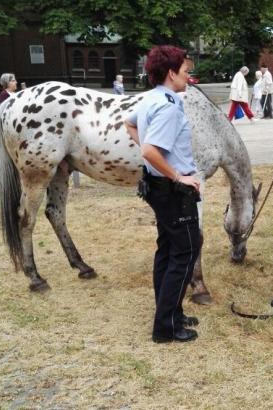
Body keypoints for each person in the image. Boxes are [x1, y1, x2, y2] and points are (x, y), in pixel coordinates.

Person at [125, 45, 201, 343]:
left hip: (159, 188)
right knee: (185, 251)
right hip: (172, 191)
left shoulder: (152, 97)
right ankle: (166, 328)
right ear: (171, 73)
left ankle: (170, 313)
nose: (188, 75)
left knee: (168, 250)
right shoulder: (167, 106)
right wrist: (178, 175)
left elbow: (129, 123)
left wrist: (154, 154)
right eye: (185, 71)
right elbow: (148, 150)